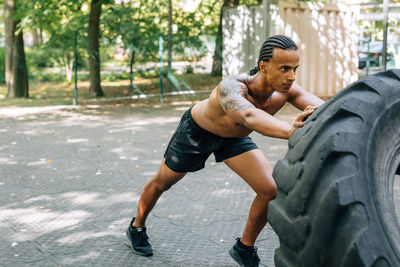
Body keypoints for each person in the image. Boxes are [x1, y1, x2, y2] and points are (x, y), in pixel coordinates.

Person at [126, 35, 324, 267]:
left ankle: (244, 248)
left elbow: (325, 108)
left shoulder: (288, 90)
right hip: (196, 133)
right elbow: (249, 115)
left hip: (233, 140)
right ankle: (137, 226)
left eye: (294, 69)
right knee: (162, 182)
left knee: (269, 190)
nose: (291, 76)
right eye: (284, 68)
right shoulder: (231, 87)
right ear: (263, 66)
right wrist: (290, 130)